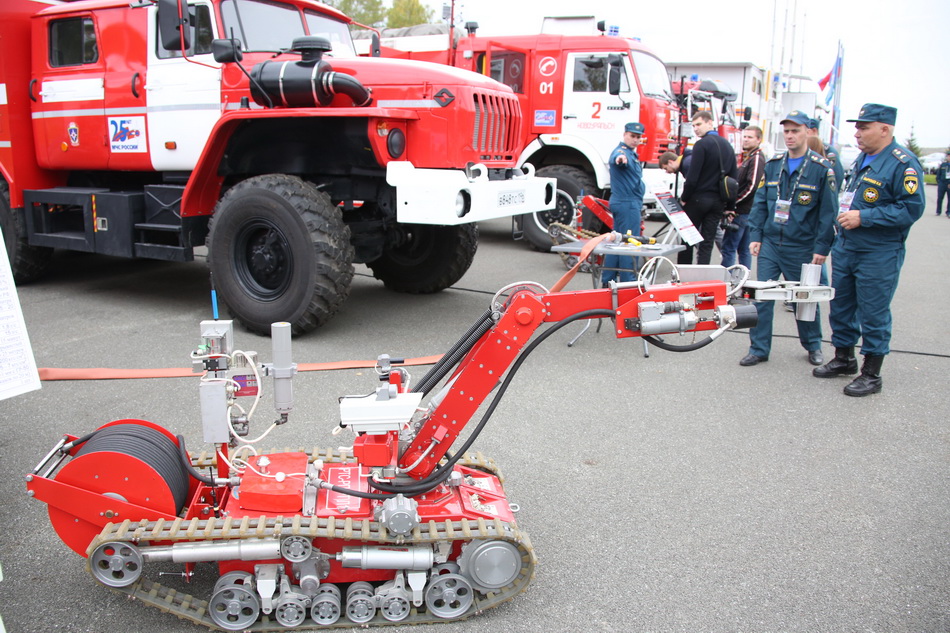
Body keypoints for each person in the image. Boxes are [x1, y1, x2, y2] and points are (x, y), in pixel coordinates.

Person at [812, 103, 925, 396]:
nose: (857, 133)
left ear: (884, 129)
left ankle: (872, 374)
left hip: (878, 252)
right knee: (841, 307)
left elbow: (911, 209)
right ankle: (844, 358)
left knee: (873, 313)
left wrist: (865, 217)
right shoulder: (862, 159)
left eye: (864, 127)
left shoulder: (903, 164)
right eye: (857, 127)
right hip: (848, 247)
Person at [739, 111, 836, 368]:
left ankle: (813, 345)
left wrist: (821, 247)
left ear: (808, 132)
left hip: (802, 245)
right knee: (762, 298)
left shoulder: (820, 169)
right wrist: (756, 234)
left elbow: (828, 213)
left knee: (805, 299)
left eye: (795, 131)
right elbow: (760, 203)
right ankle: (758, 348)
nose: (790, 136)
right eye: (787, 131)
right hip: (771, 243)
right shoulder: (773, 164)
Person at [678, 111, 737, 265]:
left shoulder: (701, 145)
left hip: (698, 199)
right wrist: (730, 206)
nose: (696, 129)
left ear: (710, 123)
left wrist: (684, 198)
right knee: (707, 242)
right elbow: (733, 179)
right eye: (693, 126)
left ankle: (681, 277)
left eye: (698, 124)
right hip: (718, 201)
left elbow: (692, 178)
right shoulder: (727, 146)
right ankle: (702, 278)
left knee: (687, 239)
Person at [602, 121, 645, 285]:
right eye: (632, 136)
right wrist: (621, 159)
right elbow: (618, 159)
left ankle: (608, 281)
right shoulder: (622, 153)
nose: (635, 140)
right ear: (625, 135)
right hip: (627, 204)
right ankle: (628, 283)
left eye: (638, 137)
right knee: (629, 244)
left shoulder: (631, 153)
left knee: (617, 242)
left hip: (625, 203)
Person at [721, 126, 765, 268]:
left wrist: (733, 205)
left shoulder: (757, 158)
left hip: (743, 212)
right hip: (745, 211)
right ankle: (742, 281)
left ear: (759, 140)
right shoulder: (750, 157)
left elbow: (753, 186)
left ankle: (727, 281)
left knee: (729, 248)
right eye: (744, 136)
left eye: (750, 137)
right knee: (743, 250)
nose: (746, 140)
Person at [807, 117, 844, 187]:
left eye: (807, 132)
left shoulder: (829, 151)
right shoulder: (802, 150)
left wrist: (832, 195)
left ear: (814, 131)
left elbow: (838, 176)